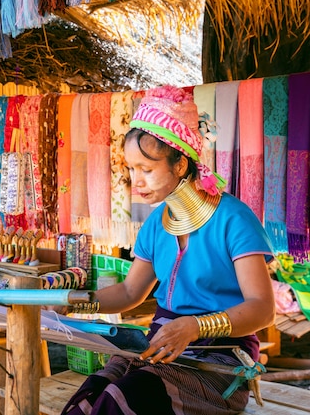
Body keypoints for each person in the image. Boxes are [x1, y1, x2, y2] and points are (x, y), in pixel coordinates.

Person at [62, 85, 275, 415]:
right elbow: (131, 291)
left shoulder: (234, 220)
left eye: (146, 169)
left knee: (125, 398)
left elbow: (263, 309)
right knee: (91, 397)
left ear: (179, 163)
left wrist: (196, 327)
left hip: (222, 361)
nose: (137, 181)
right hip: (161, 346)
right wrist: (67, 304)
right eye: (132, 169)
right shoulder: (156, 224)